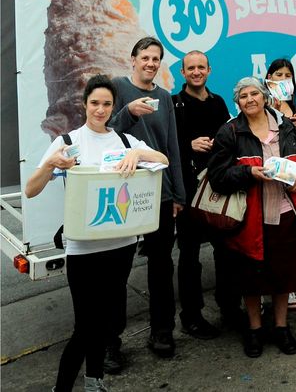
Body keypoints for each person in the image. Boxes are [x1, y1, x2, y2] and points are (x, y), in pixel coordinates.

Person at [25, 75, 168, 392]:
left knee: (104, 321)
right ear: (85, 104)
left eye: (106, 104)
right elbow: (30, 189)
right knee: (85, 326)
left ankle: (94, 381)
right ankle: (62, 387)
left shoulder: (125, 141)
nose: (100, 110)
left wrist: (138, 155)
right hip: (84, 249)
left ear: (113, 106)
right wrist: (52, 165)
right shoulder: (67, 142)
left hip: (122, 246)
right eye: (95, 103)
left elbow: (164, 159)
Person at [207, 77, 296, 358]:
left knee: (282, 276)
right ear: (237, 102)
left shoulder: (287, 127)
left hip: (286, 213)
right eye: (243, 96)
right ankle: (254, 329)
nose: (250, 99)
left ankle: (281, 327)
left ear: (265, 96)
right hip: (249, 220)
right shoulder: (229, 132)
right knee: (250, 279)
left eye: (255, 93)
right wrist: (247, 173)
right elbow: (217, 177)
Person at [108, 37, 186, 365]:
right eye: (145, 57)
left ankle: (162, 331)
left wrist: (178, 194)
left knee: (160, 265)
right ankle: (110, 342)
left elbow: (171, 147)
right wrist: (128, 113)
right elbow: (105, 132)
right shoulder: (117, 89)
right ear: (133, 59)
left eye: (156, 58)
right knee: (115, 270)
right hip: (123, 191)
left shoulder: (164, 97)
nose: (151, 63)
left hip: (160, 192)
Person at [173, 50, 242, 336]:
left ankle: (229, 307)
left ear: (209, 70)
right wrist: (187, 145)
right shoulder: (174, 104)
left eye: (201, 67)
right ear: (183, 72)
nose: (196, 72)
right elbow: (165, 146)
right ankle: (191, 316)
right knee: (189, 257)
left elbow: (232, 137)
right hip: (188, 191)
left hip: (218, 188)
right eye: (191, 68)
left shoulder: (218, 102)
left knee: (226, 250)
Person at [265, 57, 296, 311]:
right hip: (267, 183)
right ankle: (260, 291)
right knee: (266, 238)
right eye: (277, 75)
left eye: (287, 75)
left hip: (293, 185)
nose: (282, 80)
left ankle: (288, 289)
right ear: (268, 80)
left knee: (291, 239)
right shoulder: (260, 106)